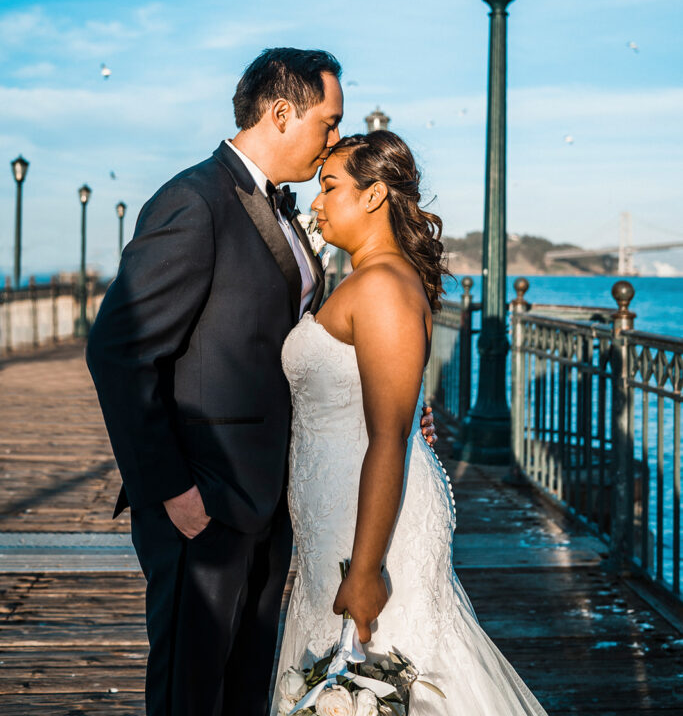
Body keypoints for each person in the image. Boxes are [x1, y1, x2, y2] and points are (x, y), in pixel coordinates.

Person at [87, 48, 436, 716]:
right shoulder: (194, 201)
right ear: (281, 112)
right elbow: (118, 350)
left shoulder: (281, 214)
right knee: (190, 692)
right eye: (327, 121)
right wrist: (172, 491)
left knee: (247, 688)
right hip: (204, 502)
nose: (335, 137)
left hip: (271, 500)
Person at [273, 130, 549, 716]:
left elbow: (387, 437)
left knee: (392, 674)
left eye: (329, 187)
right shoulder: (364, 280)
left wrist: (368, 568)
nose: (316, 204)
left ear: (374, 197)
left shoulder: (380, 286)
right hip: (337, 516)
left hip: (370, 528)